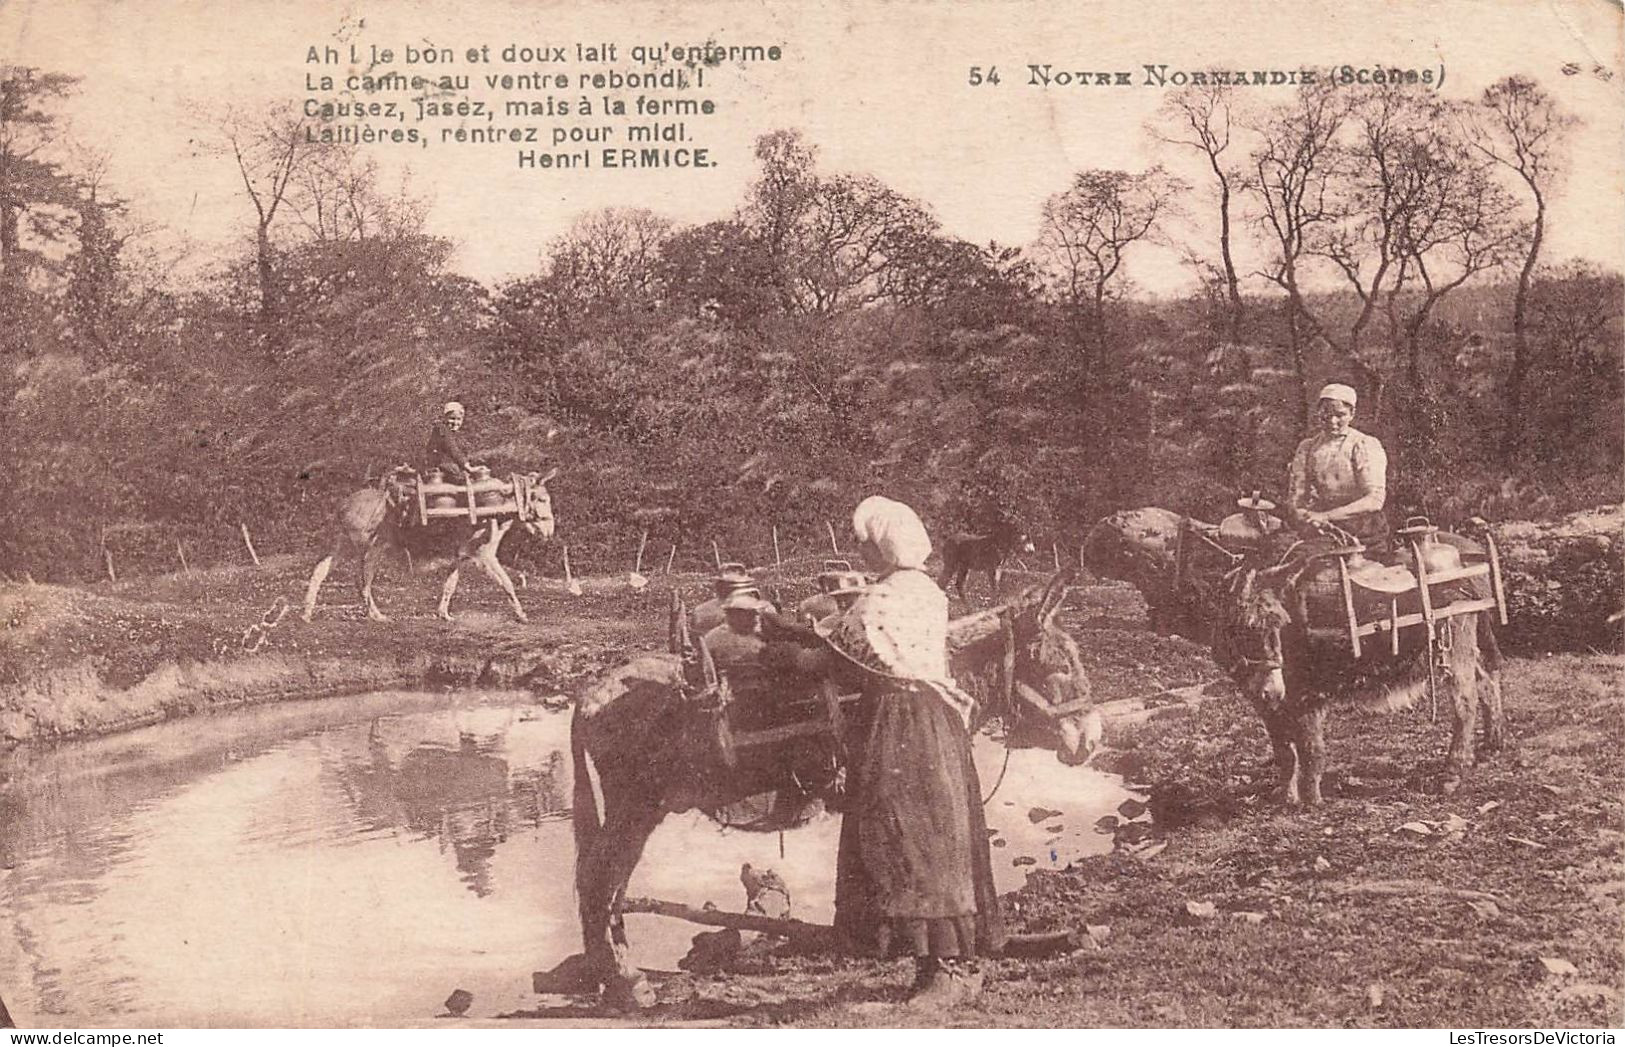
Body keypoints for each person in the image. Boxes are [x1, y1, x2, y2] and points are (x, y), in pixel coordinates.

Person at [767, 495, 1002, 1006]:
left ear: (887, 545)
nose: (867, 558)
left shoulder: (884, 597)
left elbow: (839, 660)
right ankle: (943, 964)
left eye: (870, 547)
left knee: (905, 836)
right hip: (936, 722)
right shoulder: (929, 592)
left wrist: (784, 649)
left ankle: (946, 973)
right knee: (936, 834)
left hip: (899, 724)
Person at [1287, 383, 1389, 547]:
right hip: (1321, 524)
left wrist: (1327, 516)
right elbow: (1297, 496)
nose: (1332, 421)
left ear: (1351, 414)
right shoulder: (1307, 447)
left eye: (1339, 415)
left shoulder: (1363, 444)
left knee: (1311, 558)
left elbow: (1374, 500)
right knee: (1279, 549)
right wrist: (1302, 514)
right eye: (1326, 414)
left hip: (1362, 527)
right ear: (1319, 412)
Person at [426, 401, 475, 485]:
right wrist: (468, 467)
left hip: (448, 465)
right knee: (464, 479)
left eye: (459, 419)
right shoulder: (441, 429)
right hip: (438, 466)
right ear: (445, 418)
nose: (455, 423)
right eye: (452, 418)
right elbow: (452, 449)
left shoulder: (454, 433)